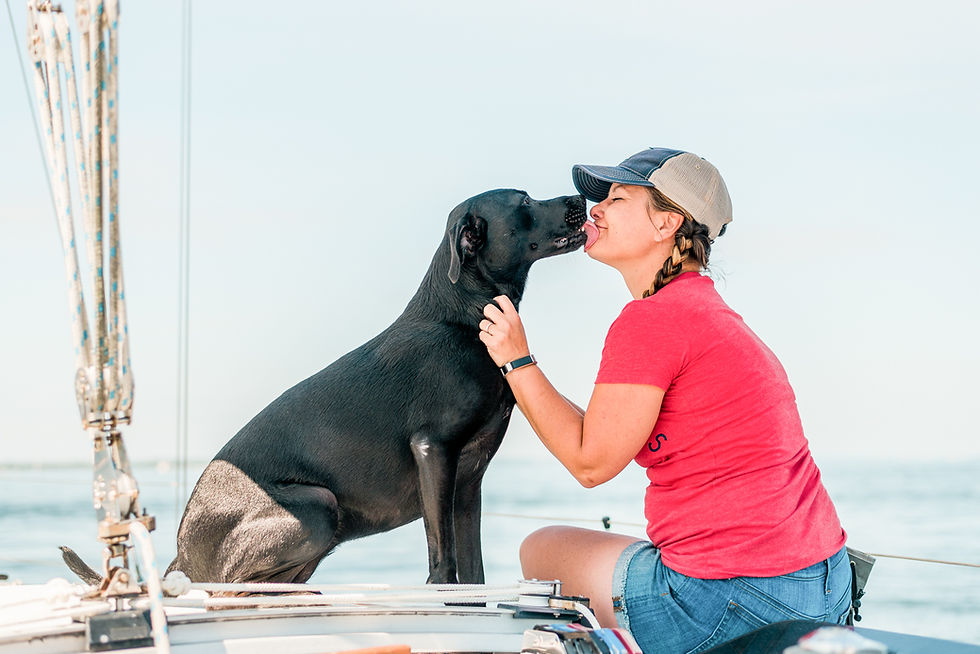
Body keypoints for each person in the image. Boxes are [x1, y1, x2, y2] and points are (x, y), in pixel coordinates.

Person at [477, 147, 850, 654]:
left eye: (618, 198)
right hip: (824, 588)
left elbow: (591, 463)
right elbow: (603, 435)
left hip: (731, 602)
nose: (597, 211)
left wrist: (516, 361)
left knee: (540, 550)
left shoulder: (652, 321)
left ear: (667, 224)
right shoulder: (708, 314)